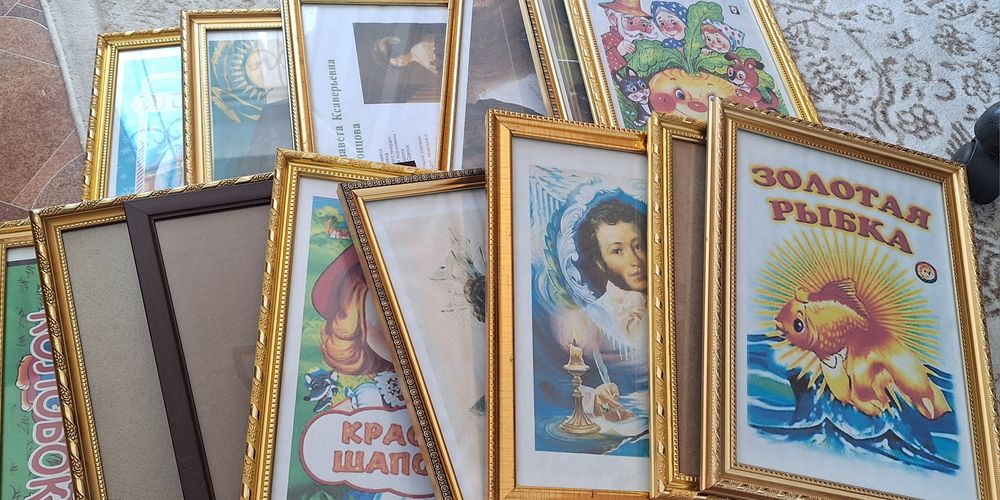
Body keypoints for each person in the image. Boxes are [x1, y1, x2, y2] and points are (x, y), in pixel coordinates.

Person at [572, 195, 648, 423]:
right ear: (599, 262)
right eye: (617, 251)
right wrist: (597, 399)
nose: (635, 261)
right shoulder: (592, 318)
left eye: (638, 246)